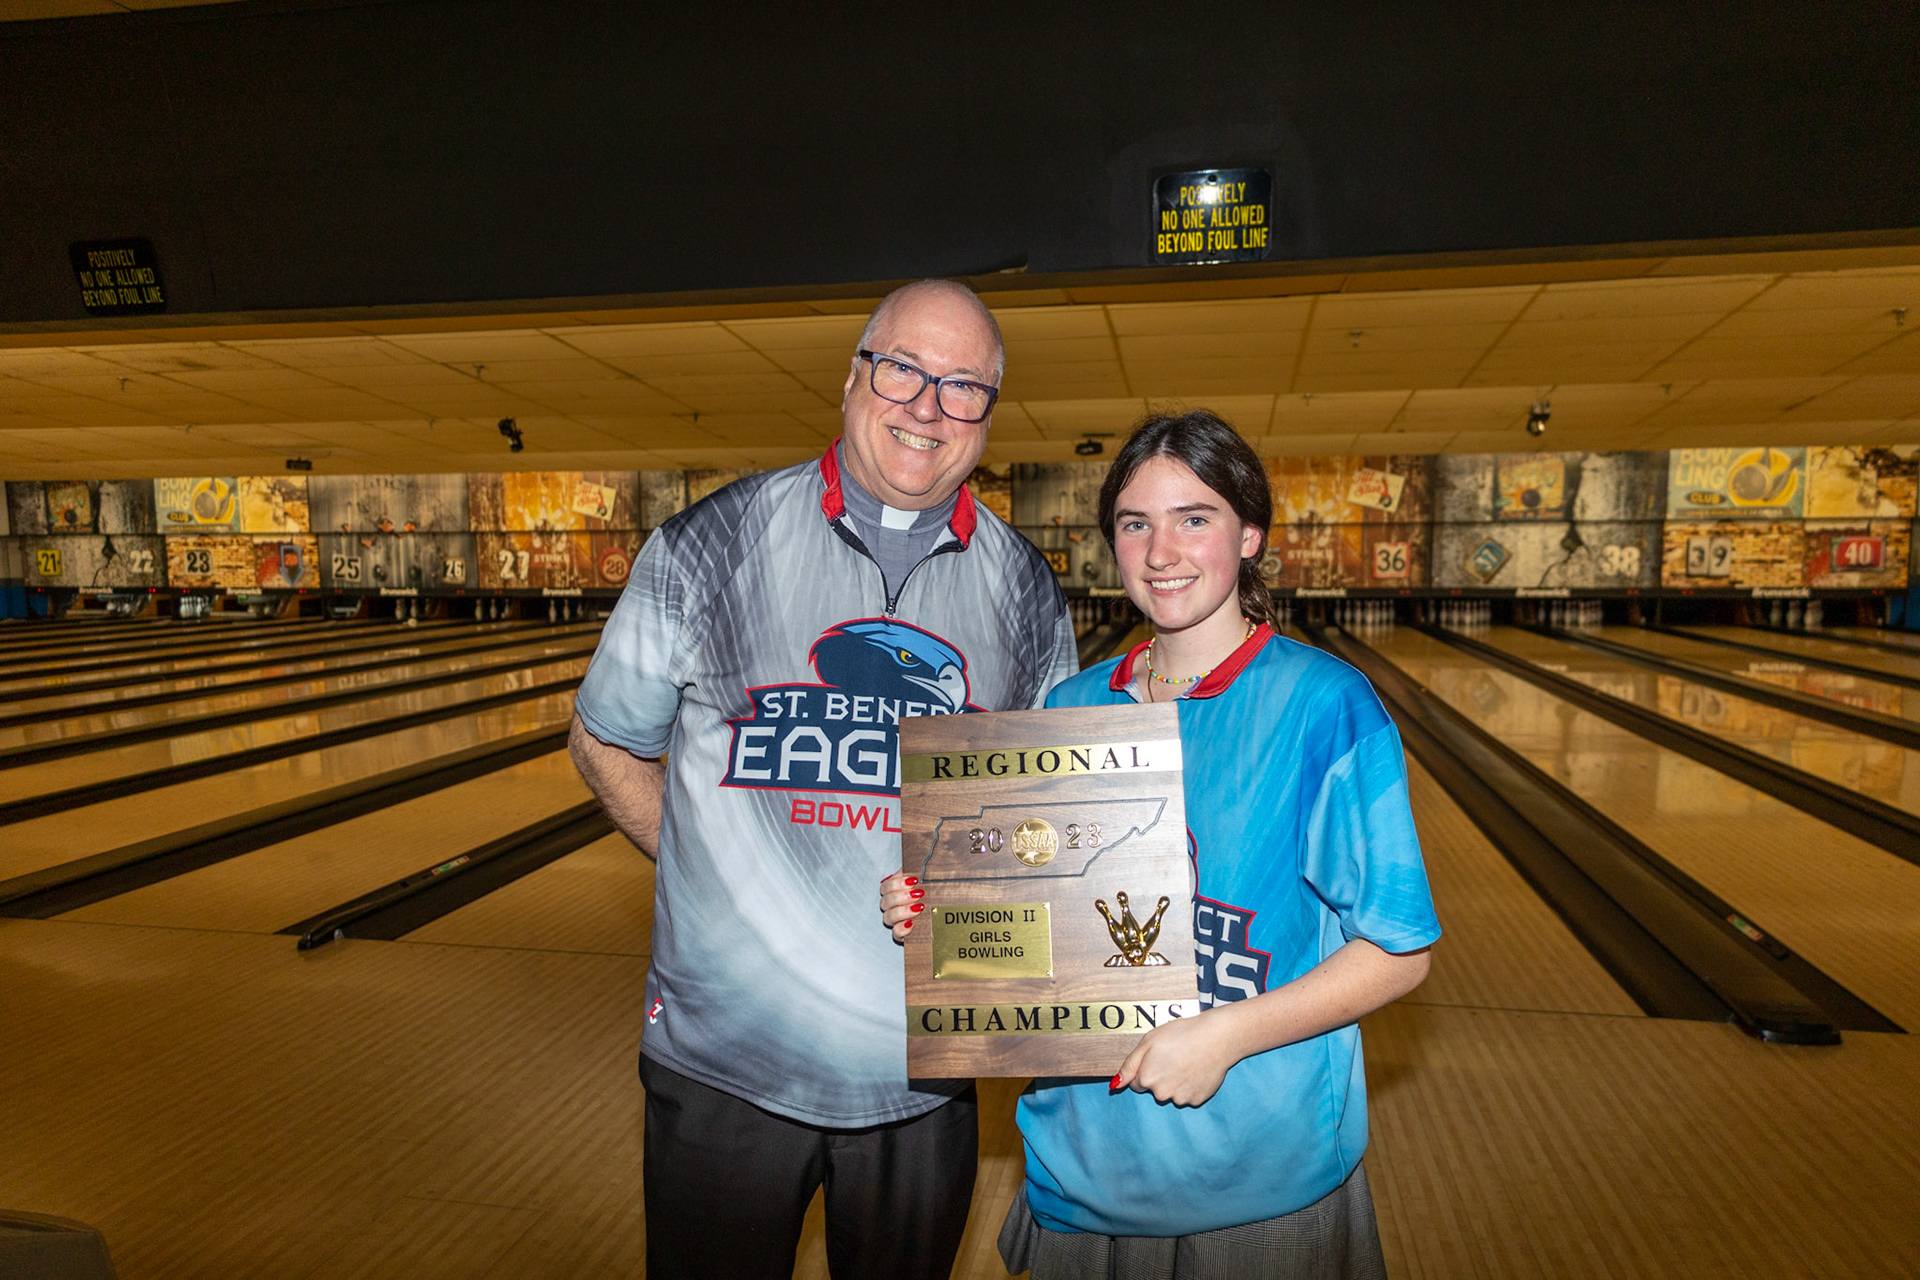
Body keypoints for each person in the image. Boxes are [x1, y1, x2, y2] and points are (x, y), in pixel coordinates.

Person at [570, 278, 1079, 1280]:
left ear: (988, 413)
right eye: (903, 370)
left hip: (920, 1079)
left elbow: (1040, 818)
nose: (927, 406)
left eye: (964, 386)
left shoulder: (1023, 584)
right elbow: (605, 742)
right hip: (723, 1066)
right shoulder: (708, 544)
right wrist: (711, 876)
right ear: (853, 377)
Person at [881, 409, 1439, 1279]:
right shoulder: (1065, 709)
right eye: (1135, 523)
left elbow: (1399, 952)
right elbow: (1030, 933)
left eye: (1195, 518)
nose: (1161, 550)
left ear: (1249, 533)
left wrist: (1226, 1035)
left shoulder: (1325, 704)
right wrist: (939, 909)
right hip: (1083, 1173)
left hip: (1260, 1182)